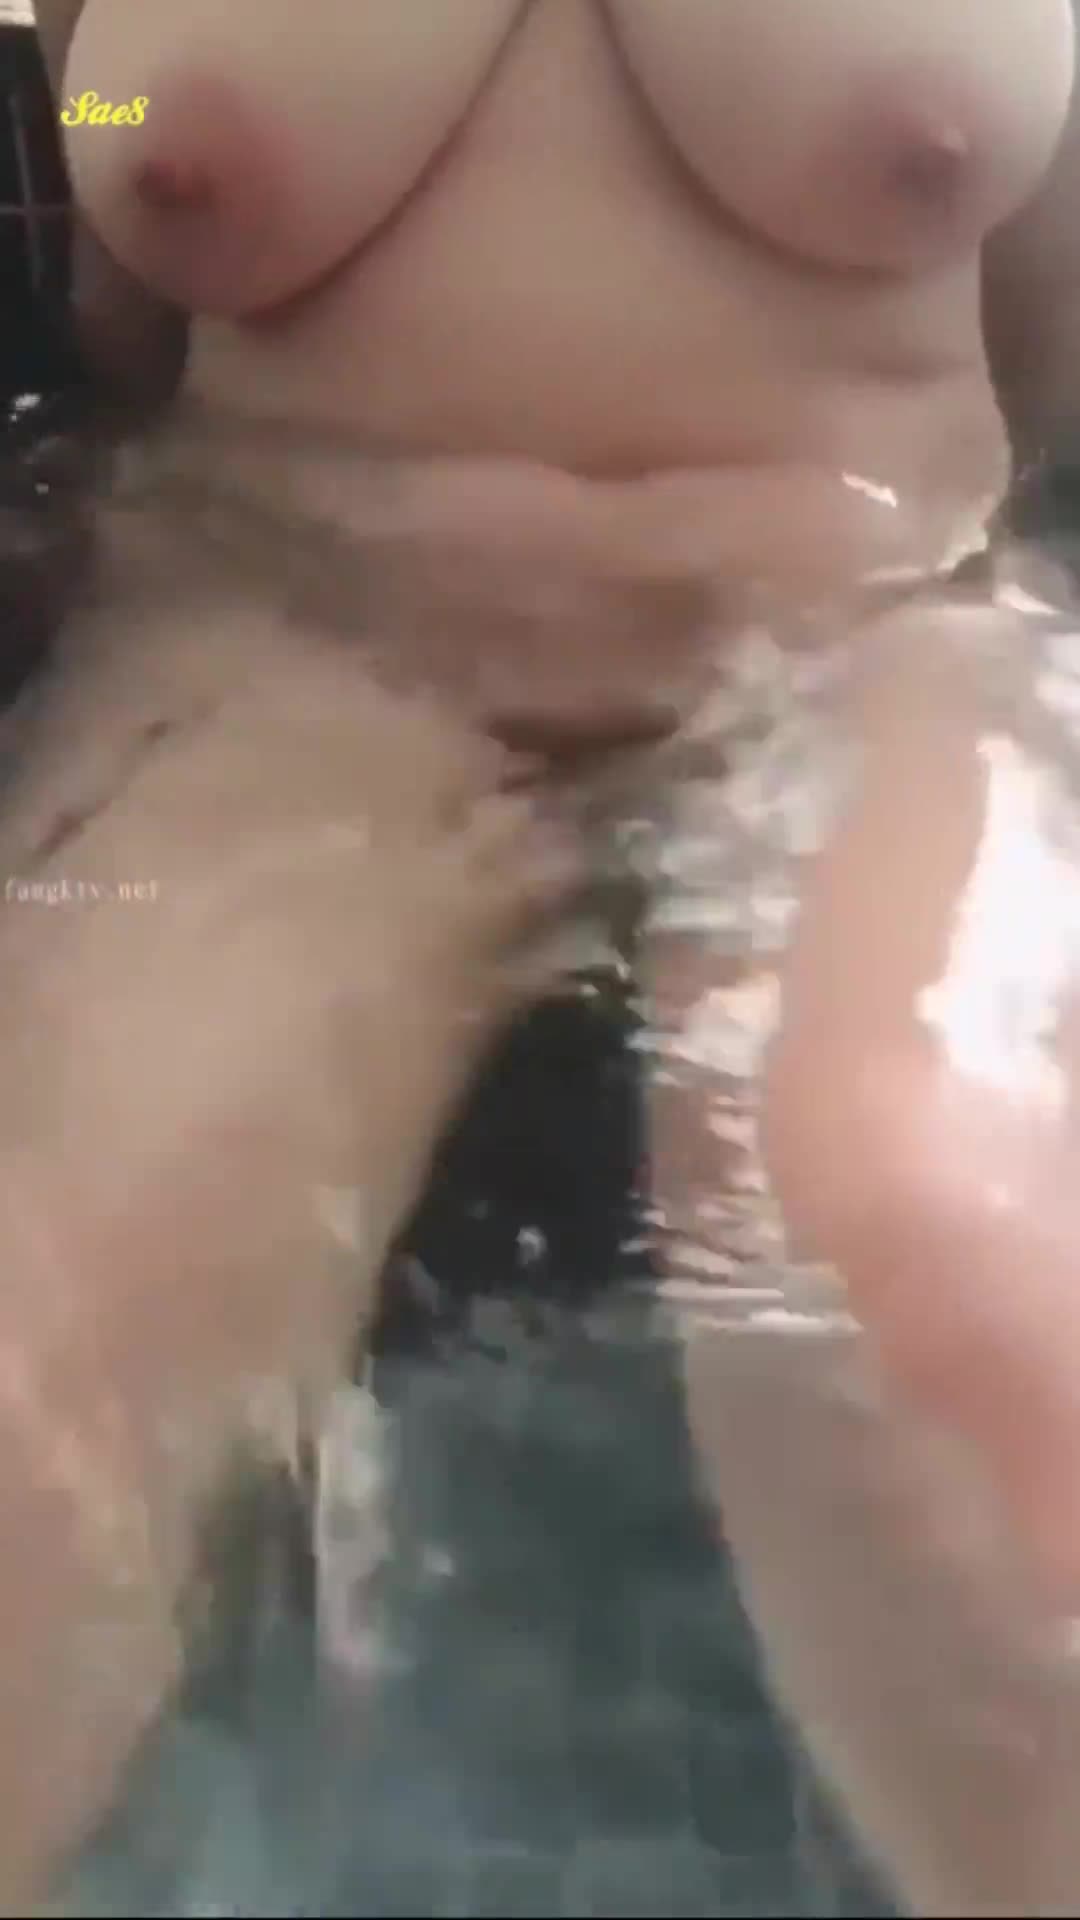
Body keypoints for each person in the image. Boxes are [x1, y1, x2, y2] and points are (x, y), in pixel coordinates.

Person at [3, 0, 1080, 1910]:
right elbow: (106, 240)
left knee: (930, 1242)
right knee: (36, 1332)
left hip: (864, 615)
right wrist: (117, 96)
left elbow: (1054, 348)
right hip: (298, 639)